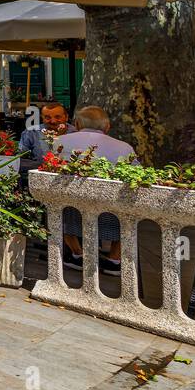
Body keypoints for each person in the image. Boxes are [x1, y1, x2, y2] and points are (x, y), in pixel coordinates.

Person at [54, 106, 136, 275]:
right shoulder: (124, 148)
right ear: (107, 127)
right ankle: (114, 258)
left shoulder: (60, 142)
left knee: (60, 207)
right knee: (128, 212)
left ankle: (77, 253)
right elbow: (136, 174)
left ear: (76, 124)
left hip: (72, 212)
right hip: (112, 214)